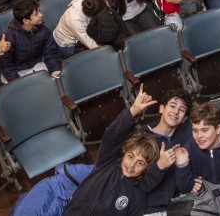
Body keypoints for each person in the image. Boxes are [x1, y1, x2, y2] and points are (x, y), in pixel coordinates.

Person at [64, 85, 167, 216]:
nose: (131, 165)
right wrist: (132, 111)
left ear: (146, 168)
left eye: (140, 163)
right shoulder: (107, 163)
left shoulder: (137, 198)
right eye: (130, 156)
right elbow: (112, 136)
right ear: (124, 153)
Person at [0, 0, 61, 82]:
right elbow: (6, 65)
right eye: (36, 14)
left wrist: (55, 70)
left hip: (37, 65)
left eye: (39, 11)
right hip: (17, 70)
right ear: (26, 21)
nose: (41, 15)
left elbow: (50, 53)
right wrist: (16, 82)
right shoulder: (10, 37)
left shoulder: (44, 30)